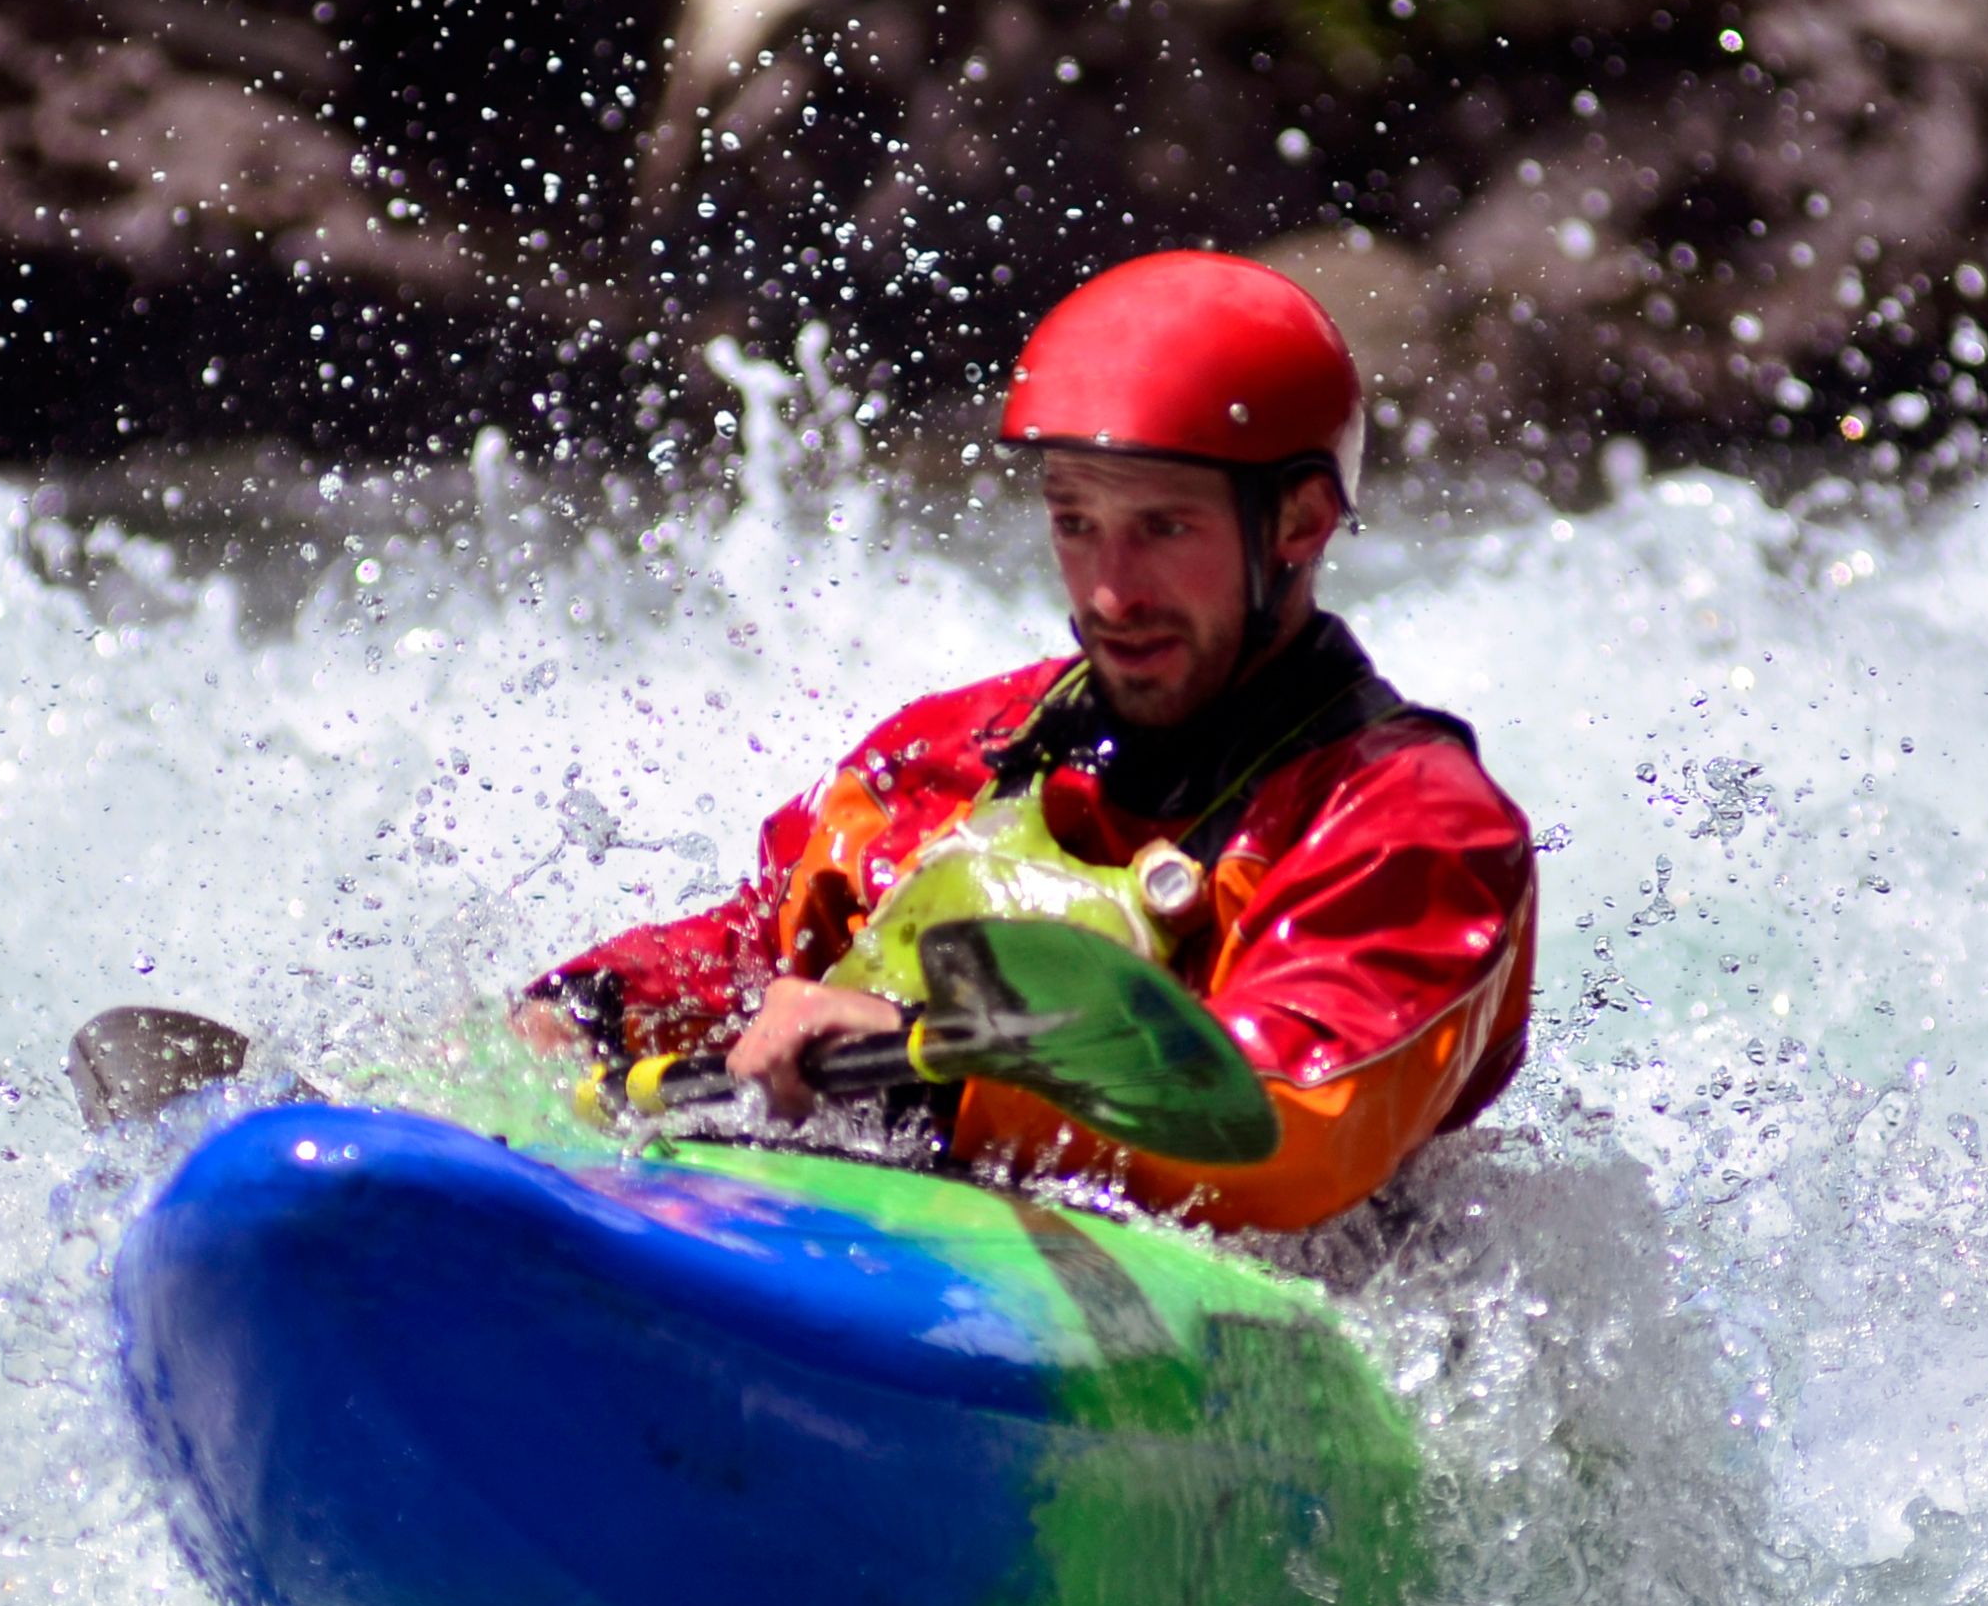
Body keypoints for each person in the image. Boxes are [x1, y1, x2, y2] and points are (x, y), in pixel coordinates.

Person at [519, 250, 1535, 1231]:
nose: (1108, 591)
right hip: (929, 1234)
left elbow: (1285, 1122)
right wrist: (587, 1013)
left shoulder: (1415, 827)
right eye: (1074, 521)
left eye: (1163, 530)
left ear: (1299, 524)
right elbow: (757, 949)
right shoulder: (957, 754)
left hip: (1277, 1326)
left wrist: (934, 1080)